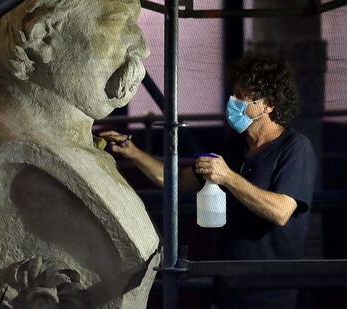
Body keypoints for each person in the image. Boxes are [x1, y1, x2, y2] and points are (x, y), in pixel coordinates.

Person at [0, 0, 159, 308]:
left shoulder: (72, 148)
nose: (143, 46)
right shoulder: (10, 161)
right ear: (44, 36)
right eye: (120, 21)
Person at [100, 54, 317, 308]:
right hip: (227, 285)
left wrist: (228, 177)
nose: (232, 102)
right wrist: (133, 152)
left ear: (268, 105)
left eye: (241, 97)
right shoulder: (234, 148)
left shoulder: (294, 148)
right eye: (233, 93)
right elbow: (178, 181)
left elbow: (281, 211)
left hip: (270, 292)